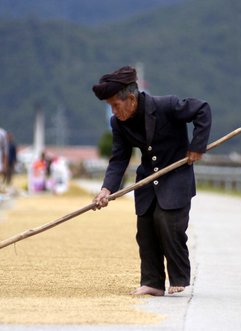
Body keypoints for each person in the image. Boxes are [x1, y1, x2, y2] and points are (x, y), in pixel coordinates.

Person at [92, 66, 211, 296]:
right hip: (148, 180)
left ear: (131, 99)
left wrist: (197, 146)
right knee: (145, 228)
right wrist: (106, 189)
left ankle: (178, 277)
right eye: (111, 107)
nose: (114, 112)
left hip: (176, 175)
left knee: (167, 222)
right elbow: (119, 159)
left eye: (116, 105)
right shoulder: (119, 124)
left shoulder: (166, 106)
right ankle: (153, 282)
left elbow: (202, 110)